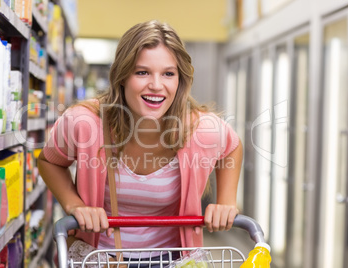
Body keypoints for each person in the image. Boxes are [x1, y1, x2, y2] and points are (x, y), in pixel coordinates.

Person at [38, 20, 242, 265]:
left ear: (180, 81)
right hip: (101, 259)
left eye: (168, 73)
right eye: (142, 72)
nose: (156, 85)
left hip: (173, 260)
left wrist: (227, 201)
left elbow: (232, 146)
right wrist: (75, 205)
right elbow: (49, 162)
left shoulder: (200, 129)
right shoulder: (85, 122)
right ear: (122, 76)